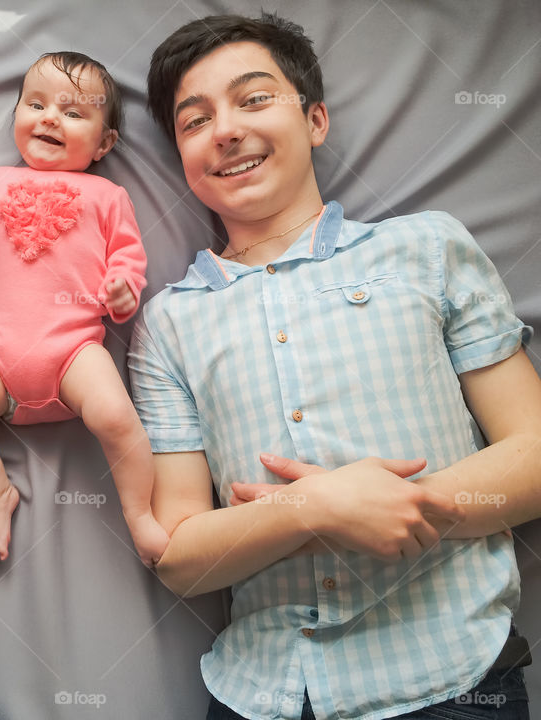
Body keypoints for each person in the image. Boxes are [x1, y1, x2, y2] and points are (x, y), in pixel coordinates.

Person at [132, 13, 541, 720]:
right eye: (194, 121)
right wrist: (310, 507)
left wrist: (415, 506)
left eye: (254, 99)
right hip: (260, 693)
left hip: (451, 678)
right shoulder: (167, 319)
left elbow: (535, 454)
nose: (225, 129)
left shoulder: (429, 249)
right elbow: (182, 556)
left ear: (315, 119)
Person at [0, 51, 169, 565]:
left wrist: (123, 293)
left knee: (116, 417)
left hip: (74, 350)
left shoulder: (108, 196)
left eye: (74, 112)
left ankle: (140, 515)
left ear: (104, 143)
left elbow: (127, 260)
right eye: (34, 103)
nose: (50, 117)